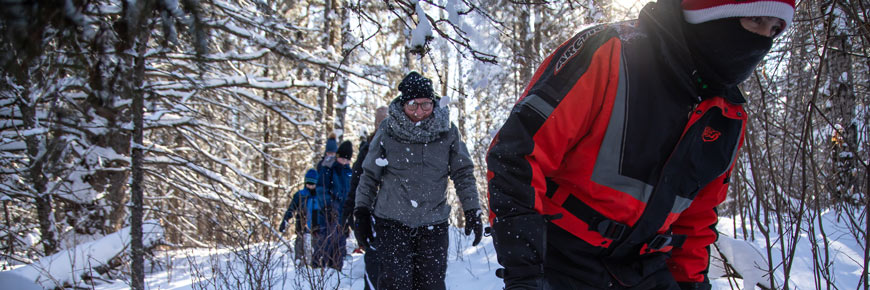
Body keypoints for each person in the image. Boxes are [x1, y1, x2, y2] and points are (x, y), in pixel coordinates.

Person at [485, 0, 794, 289]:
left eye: (774, 30)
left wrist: (691, 283)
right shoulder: (609, 53)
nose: (762, 41)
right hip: (559, 259)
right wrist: (524, 272)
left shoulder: (728, 116)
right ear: (713, 11)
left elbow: (695, 220)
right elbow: (517, 156)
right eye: (755, 20)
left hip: (646, 269)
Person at [353, 72, 483, 290]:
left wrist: (472, 210)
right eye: (413, 105)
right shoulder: (387, 130)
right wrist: (361, 212)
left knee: (431, 285)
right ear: (403, 104)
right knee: (396, 284)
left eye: (426, 105)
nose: (419, 112)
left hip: (433, 224)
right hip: (392, 223)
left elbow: (463, 173)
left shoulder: (448, 131)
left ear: (433, 103)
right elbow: (369, 175)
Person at [343, 106, 389, 290]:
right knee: (374, 270)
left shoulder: (399, 146)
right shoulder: (367, 150)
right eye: (381, 122)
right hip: (371, 218)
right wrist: (350, 214)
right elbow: (356, 184)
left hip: (396, 219)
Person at [310, 140, 354, 270]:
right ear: (337, 156)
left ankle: (336, 269)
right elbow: (321, 189)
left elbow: (350, 192)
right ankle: (318, 269)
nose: (344, 162)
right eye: (342, 159)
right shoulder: (328, 169)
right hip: (328, 213)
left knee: (340, 243)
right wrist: (327, 206)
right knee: (325, 241)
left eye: (347, 160)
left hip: (342, 213)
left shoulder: (348, 172)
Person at [278, 168, 318, 263]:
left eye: (312, 183)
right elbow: (291, 209)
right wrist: (285, 220)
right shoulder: (300, 195)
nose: (310, 185)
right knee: (300, 249)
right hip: (301, 229)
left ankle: (316, 267)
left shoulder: (320, 196)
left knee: (316, 251)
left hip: (317, 230)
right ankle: (299, 265)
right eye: (308, 183)